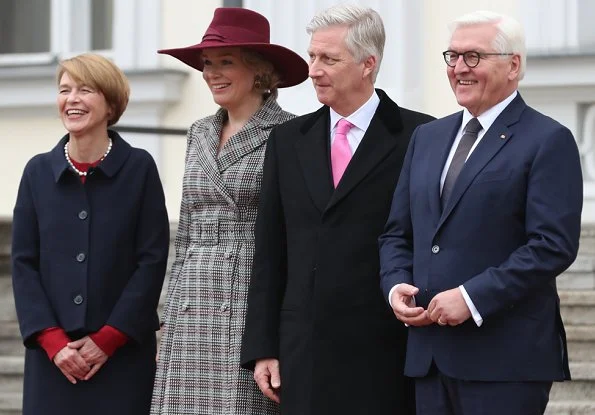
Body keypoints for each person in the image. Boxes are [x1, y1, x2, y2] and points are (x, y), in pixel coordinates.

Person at [379, 10, 582, 415]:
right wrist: (396, 283)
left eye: (473, 57)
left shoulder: (547, 139)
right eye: (452, 56)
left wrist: (472, 298)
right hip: (429, 357)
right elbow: (397, 233)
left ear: (513, 65)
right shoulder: (428, 137)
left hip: (504, 361)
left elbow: (551, 246)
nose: (458, 68)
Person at [240, 4, 434, 414]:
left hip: (385, 350)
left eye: (328, 59)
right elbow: (270, 250)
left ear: (368, 64)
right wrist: (263, 348)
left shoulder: (421, 135)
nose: (313, 70)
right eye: (312, 56)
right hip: (303, 352)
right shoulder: (288, 140)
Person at [150, 7, 308, 415]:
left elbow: (293, 237)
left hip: (247, 296)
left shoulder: (289, 133)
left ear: (259, 71)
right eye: (207, 64)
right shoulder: (199, 131)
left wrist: (278, 331)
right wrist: (166, 316)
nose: (212, 73)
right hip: (191, 298)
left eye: (225, 62)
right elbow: (184, 230)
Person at [11, 53, 170, 415]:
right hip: (53, 361)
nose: (72, 99)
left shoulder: (139, 168)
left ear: (110, 103)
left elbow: (152, 261)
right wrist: (52, 342)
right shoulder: (37, 173)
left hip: (122, 358)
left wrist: (108, 339)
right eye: (65, 90)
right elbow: (23, 264)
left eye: (85, 90)